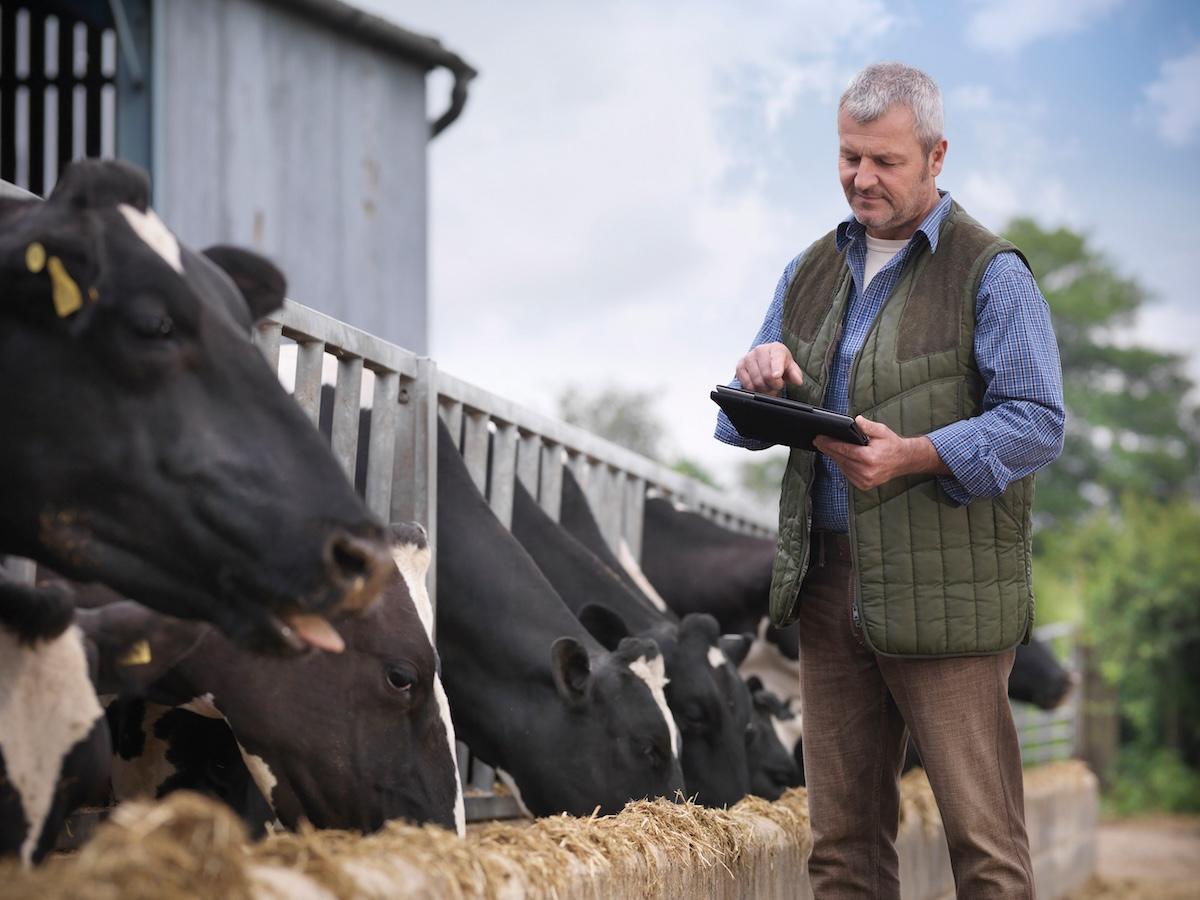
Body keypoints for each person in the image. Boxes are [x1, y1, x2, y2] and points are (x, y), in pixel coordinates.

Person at [715, 62, 1065, 898]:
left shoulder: (992, 272)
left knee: (985, 847)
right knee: (841, 850)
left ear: (936, 157)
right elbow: (740, 423)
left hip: (950, 592)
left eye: (885, 161)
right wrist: (761, 377)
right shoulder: (807, 269)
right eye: (849, 157)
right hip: (830, 585)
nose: (862, 178)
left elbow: (1037, 420)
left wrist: (916, 454)